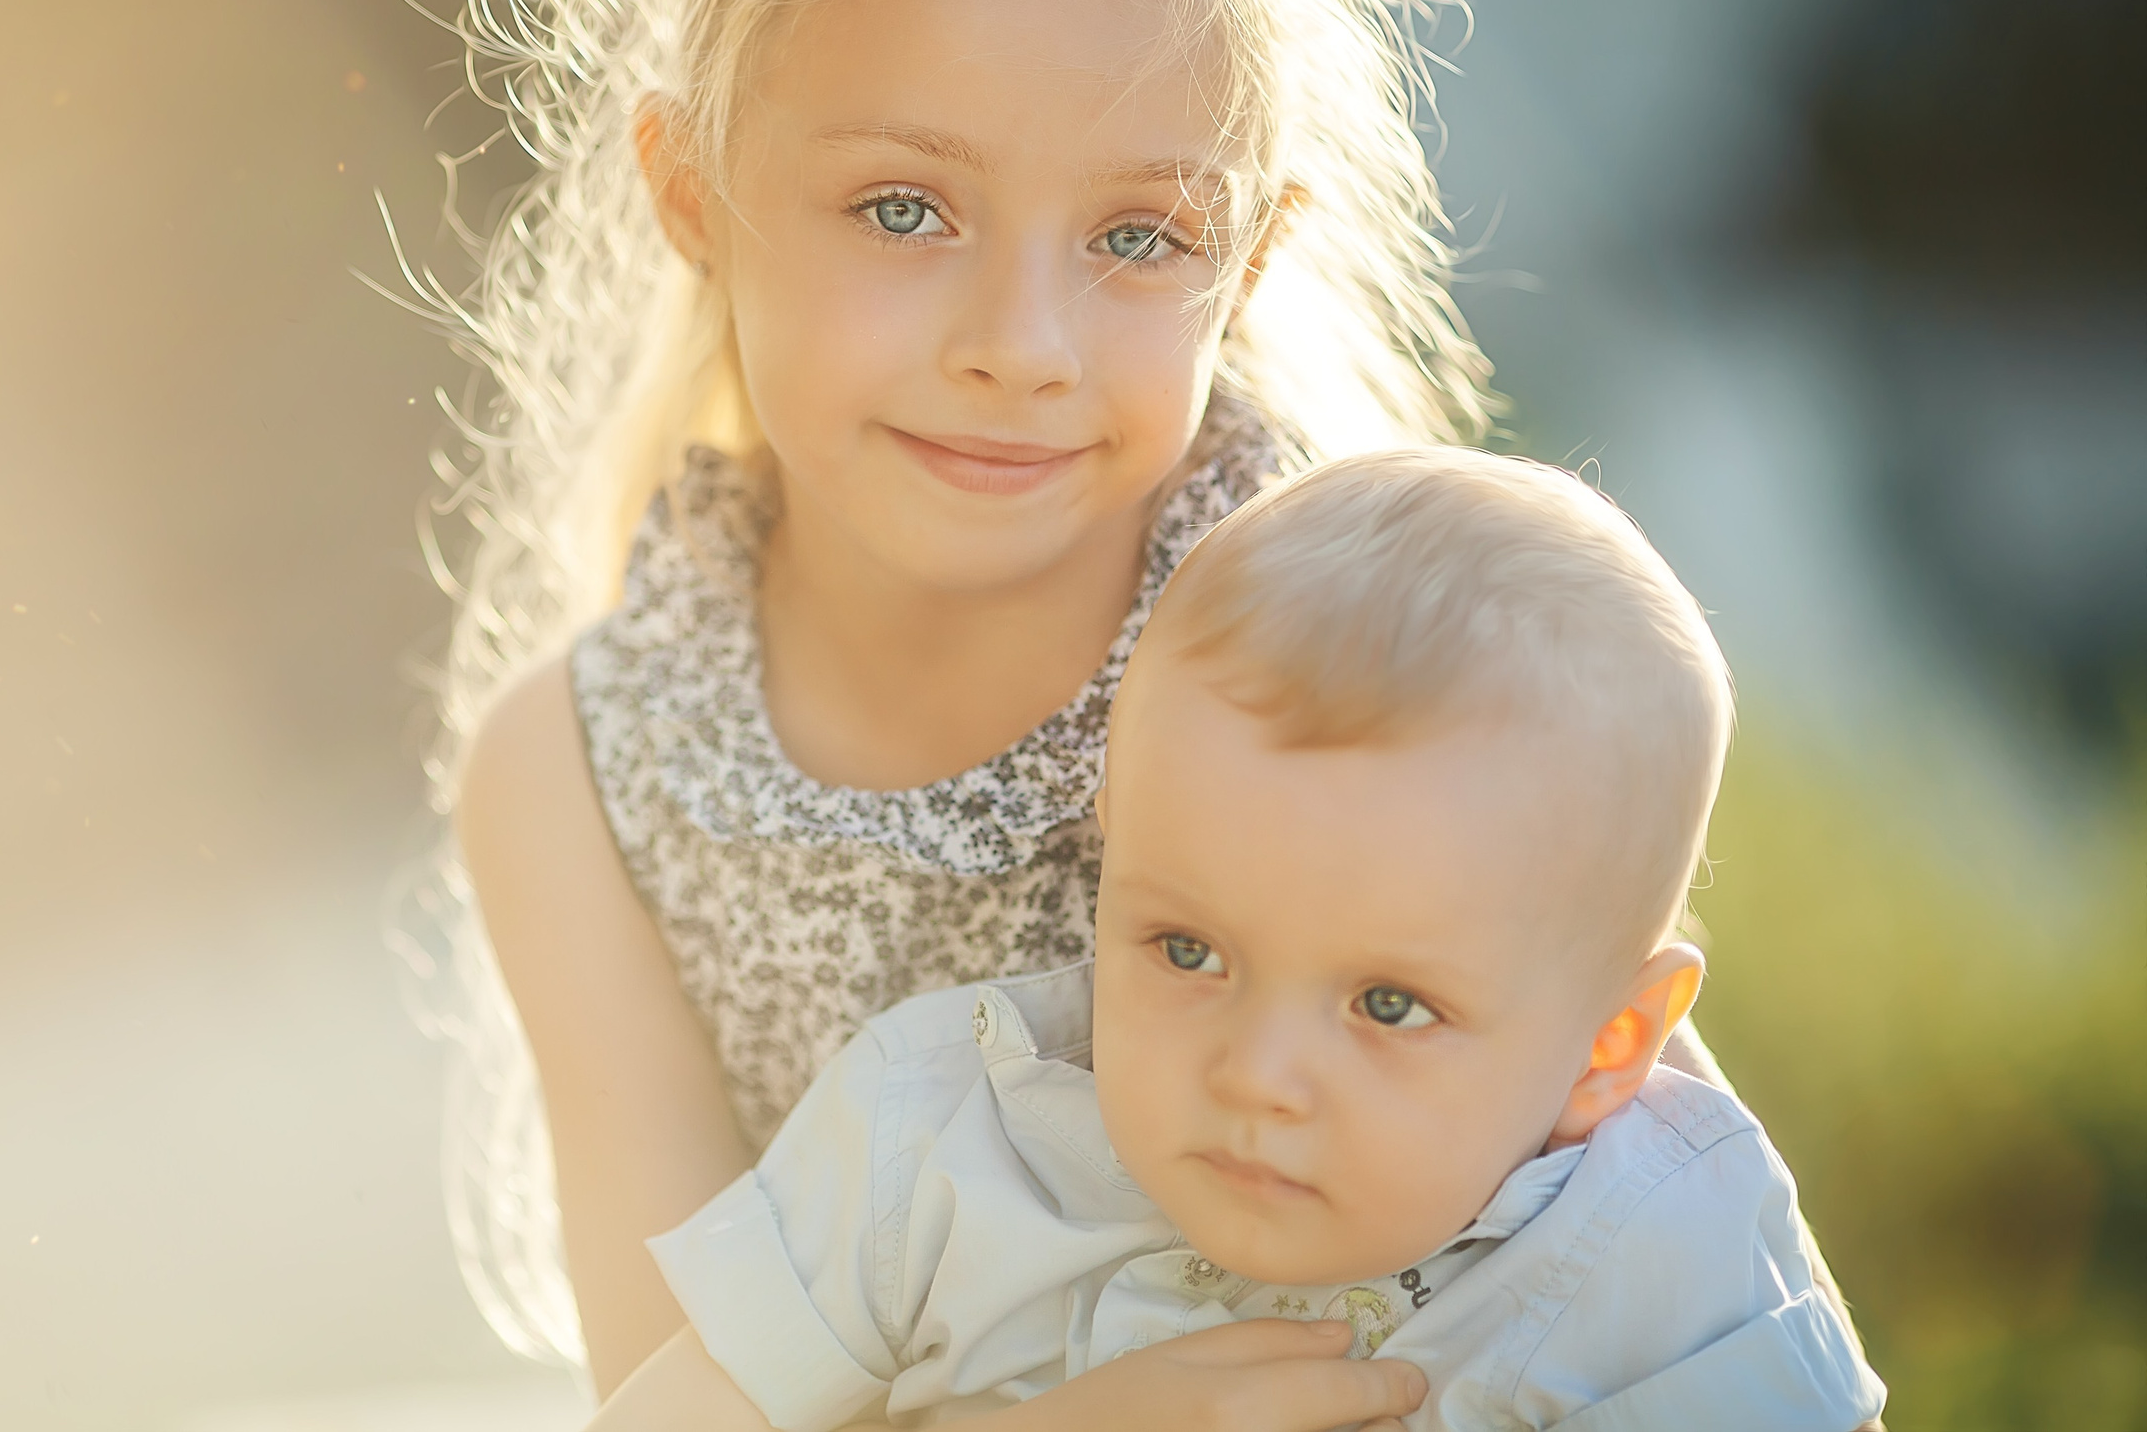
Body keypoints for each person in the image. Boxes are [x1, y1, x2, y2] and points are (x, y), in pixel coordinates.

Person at [411, 0, 1862, 1423]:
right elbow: (661, 1401)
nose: (1019, 346)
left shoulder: (1358, 653)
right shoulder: (584, 774)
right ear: (695, 192)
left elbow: (1661, 1240)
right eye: (901, 209)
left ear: (1243, 262)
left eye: (1134, 238)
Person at [586, 449, 1888, 1430]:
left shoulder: (1664, 1255)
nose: (1257, 1073)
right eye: (1189, 951)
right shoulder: (928, 1146)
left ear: (1610, 1045)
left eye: (1388, 1006)